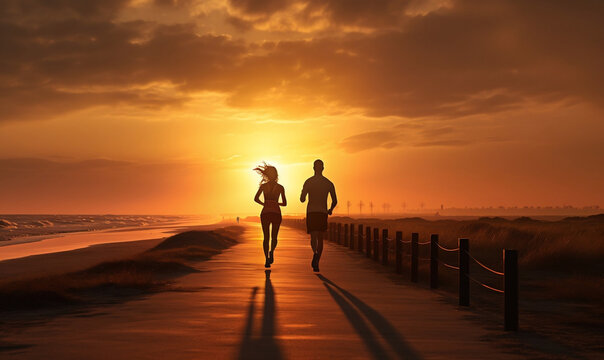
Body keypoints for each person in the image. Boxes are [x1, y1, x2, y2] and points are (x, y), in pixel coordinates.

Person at [300, 159, 337, 272]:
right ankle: (317, 260)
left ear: (313, 168)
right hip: (322, 212)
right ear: (323, 168)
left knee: (313, 237)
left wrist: (303, 194)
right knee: (320, 238)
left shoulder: (308, 181)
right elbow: (335, 200)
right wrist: (330, 209)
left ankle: (315, 253)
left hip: (311, 211)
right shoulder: (328, 183)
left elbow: (302, 199)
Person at [254, 163, 287, 268]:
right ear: (276, 175)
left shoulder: (263, 186)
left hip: (265, 213)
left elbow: (256, 199)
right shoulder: (280, 187)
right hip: (276, 213)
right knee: (274, 237)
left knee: (266, 237)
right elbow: (285, 203)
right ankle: (271, 251)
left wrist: (265, 203)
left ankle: (266, 259)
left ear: (267, 175)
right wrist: (276, 203)